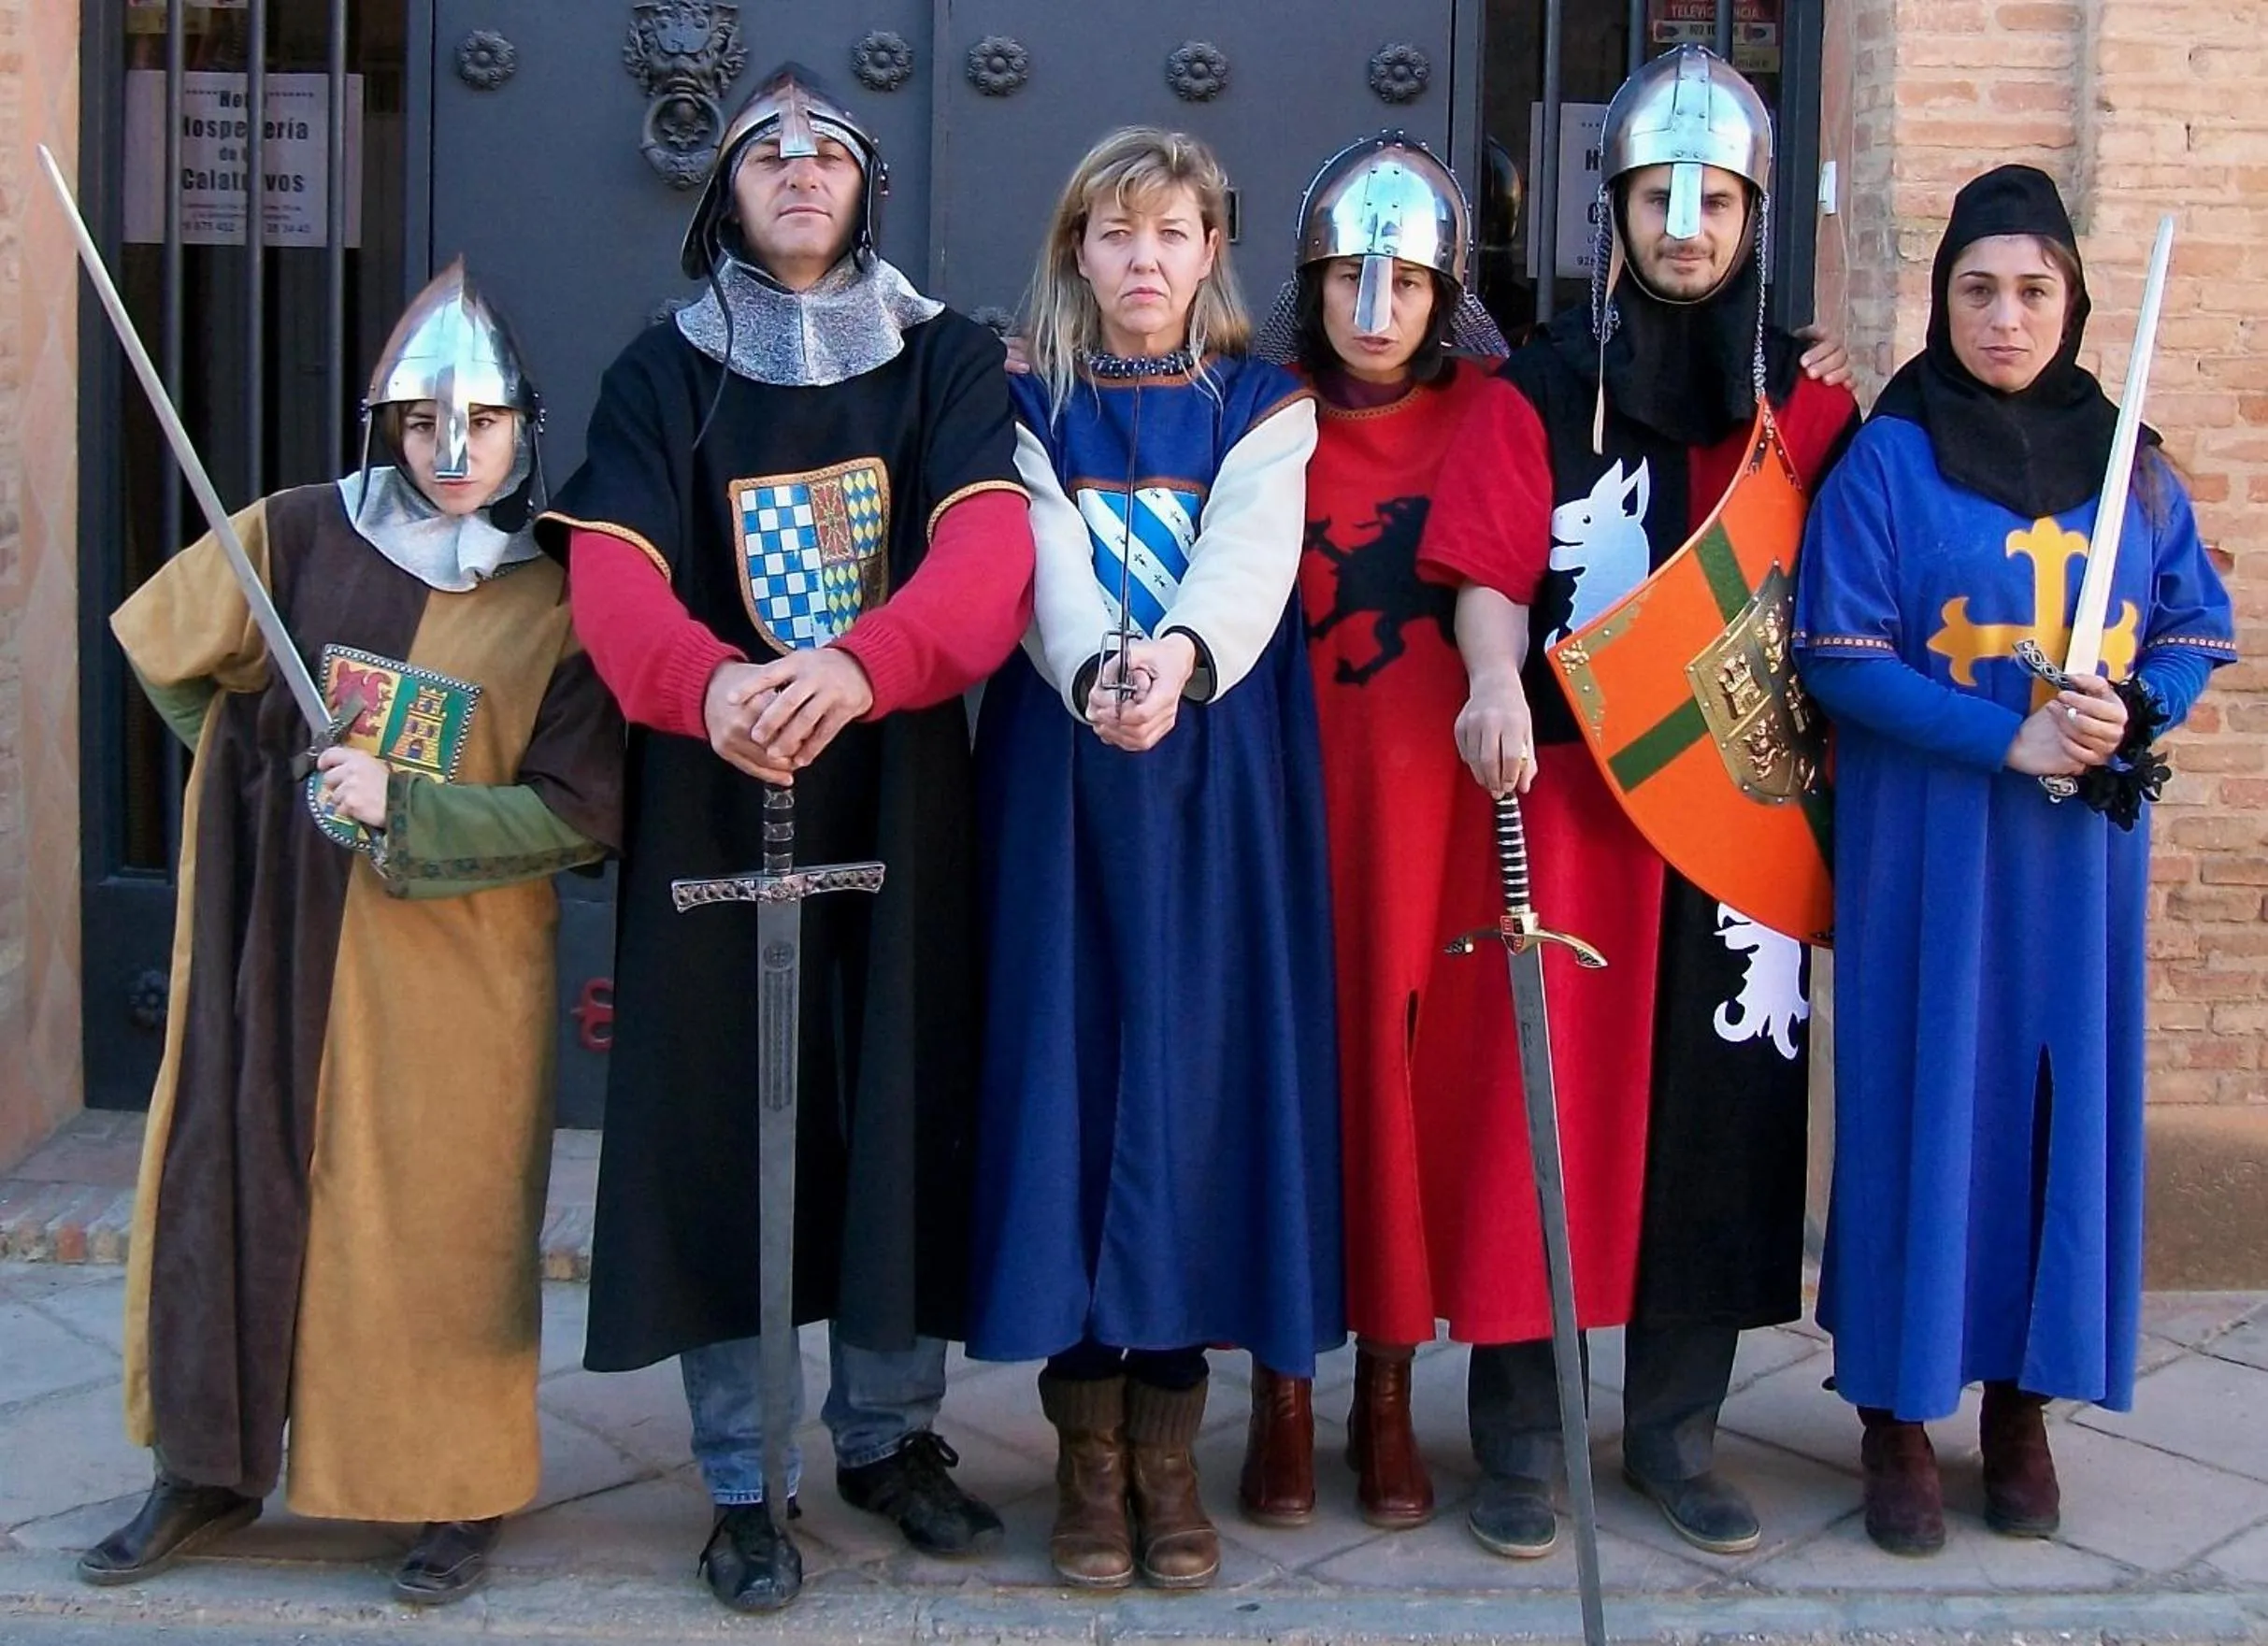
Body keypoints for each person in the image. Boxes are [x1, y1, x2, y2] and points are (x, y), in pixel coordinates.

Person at [536, 64, 1037, 1613]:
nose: (802, 170)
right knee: (715, 1120)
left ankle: (889, 1436)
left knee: (899, 1098)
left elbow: (985, 549)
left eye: (828, 150)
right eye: (770, 152)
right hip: (714, 773)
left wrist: (856, 667)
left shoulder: (946, 357)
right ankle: (745, 1475)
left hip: (892, 775)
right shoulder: (660, 373)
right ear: (724, 190)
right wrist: (714, 688)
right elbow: (613, 578)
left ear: (864, 184)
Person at [84, 263, 623, 1607]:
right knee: (224, 1179)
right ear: (389, 424)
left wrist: (406, 803)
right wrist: (254, 776)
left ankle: (449, 1488)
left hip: (453, 976)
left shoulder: (555, 593)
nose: (453, 453)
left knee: (432, 1230)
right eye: (427, 425)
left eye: (482, 425)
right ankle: (203, 1467)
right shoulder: (294, 535)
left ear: (521, 432)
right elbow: (167, 653)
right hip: (276, 941)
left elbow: (577, 813)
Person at [1419, 46, 1859, 1560]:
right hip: (1569, 807)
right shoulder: (1535, 387)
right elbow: (1484, 566)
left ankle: (1676, 1432)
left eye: (1715, 196)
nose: (1684, 222)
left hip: (1735, 817)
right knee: (1551, 1118)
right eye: (1657, 194)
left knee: (1714, 1130)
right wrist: (1490, 682)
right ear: (1609, 211)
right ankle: (1521, 1443)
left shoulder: (1803, 413)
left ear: (1753, 217)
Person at [1794, 164, 2235, 1558]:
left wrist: (2129, 710)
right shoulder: (1887, 457)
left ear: (2072, 304)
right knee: (1927, 1105)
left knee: (2051, 1115)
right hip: (1929, 842)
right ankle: (1893, 1411)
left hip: (2072, 864)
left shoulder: (2130, 462)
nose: (2003, 319)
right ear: (1942, 299)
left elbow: (2190, 624)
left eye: (2032, 291)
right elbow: (1838, 654)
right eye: (1977, 290)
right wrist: (2008, 744)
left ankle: (2020, 1407)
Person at [966, 126, 1338, 1594]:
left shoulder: (1263, 402)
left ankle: (1167, 1453)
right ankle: (1083, 1456)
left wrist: (1174, 662)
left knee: (1186, 1082)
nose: (1143, 261)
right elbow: (1037, 548)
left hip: (1212, 773)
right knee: (1068, 1075)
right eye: (1115, 235)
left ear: (1207, 254)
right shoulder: (1016, 398)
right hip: (1062, 773)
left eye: (1172, 234)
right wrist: (1092, 673)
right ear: (1075, 250)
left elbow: (1251, 549)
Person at [1234, 133, 1524, 1533]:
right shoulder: (1254, 404)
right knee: (1293, 1081)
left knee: (1401, 1091)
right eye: (1347, 277)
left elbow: (1491, 573)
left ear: (1441, 291)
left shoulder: (1493, 412)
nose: (1372, 307)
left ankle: (1389, 1395)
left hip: (1427, 805)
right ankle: (1284, 1392)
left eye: (1402, 281)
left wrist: (1493, 680)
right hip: (1283, 796)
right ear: (1309, 283)